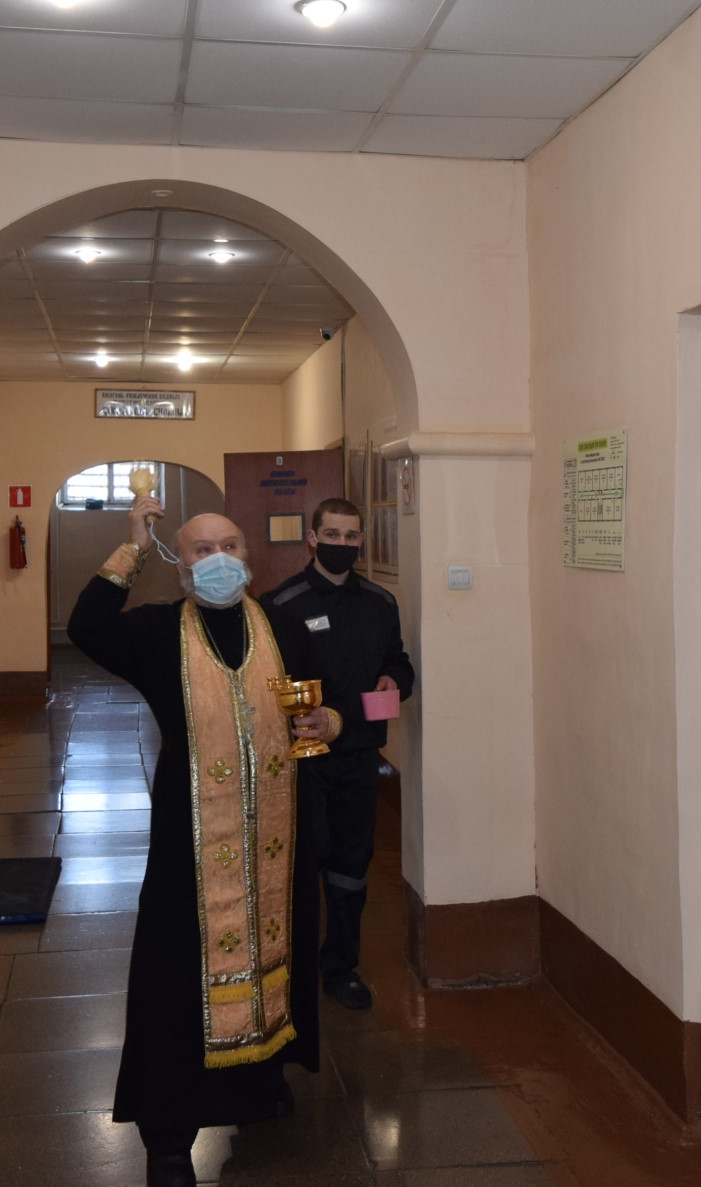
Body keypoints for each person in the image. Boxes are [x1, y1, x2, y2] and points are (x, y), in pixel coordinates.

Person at [68, 500, 343, 1187]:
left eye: (229, 545)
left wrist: (329, 720)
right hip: (190, 846)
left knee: (277, 955)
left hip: (277, 838)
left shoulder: (281, 626)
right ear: (181, 566)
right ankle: (168, 1136)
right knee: (176, 979)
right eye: (201, 549)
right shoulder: (157, 632)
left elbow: (319, 702)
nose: (218, 558)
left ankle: (259, 1085)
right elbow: (87, 627)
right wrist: (133, 545)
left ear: (247, 556)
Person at [260, 498, 415, 1012]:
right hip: (302, 758)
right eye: (332, 535)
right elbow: (266, 683)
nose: (342, 544)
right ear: (312, 539)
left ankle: (340, 966)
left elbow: (398, 662)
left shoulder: (380, 602)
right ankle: (291, 965)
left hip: (360, 755)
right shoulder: (281, 603)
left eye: (351, 536)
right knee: (305, 858)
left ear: (361, 540)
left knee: (352, 862)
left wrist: (396, 679)